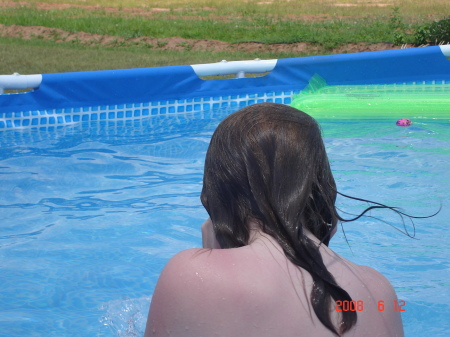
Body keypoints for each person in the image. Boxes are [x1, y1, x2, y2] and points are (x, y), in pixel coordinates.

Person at [144, 103, 404, 337]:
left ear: (218, 190)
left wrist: (211, 261)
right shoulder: (379, 291)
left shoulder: (190, 274)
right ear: (319, 184)